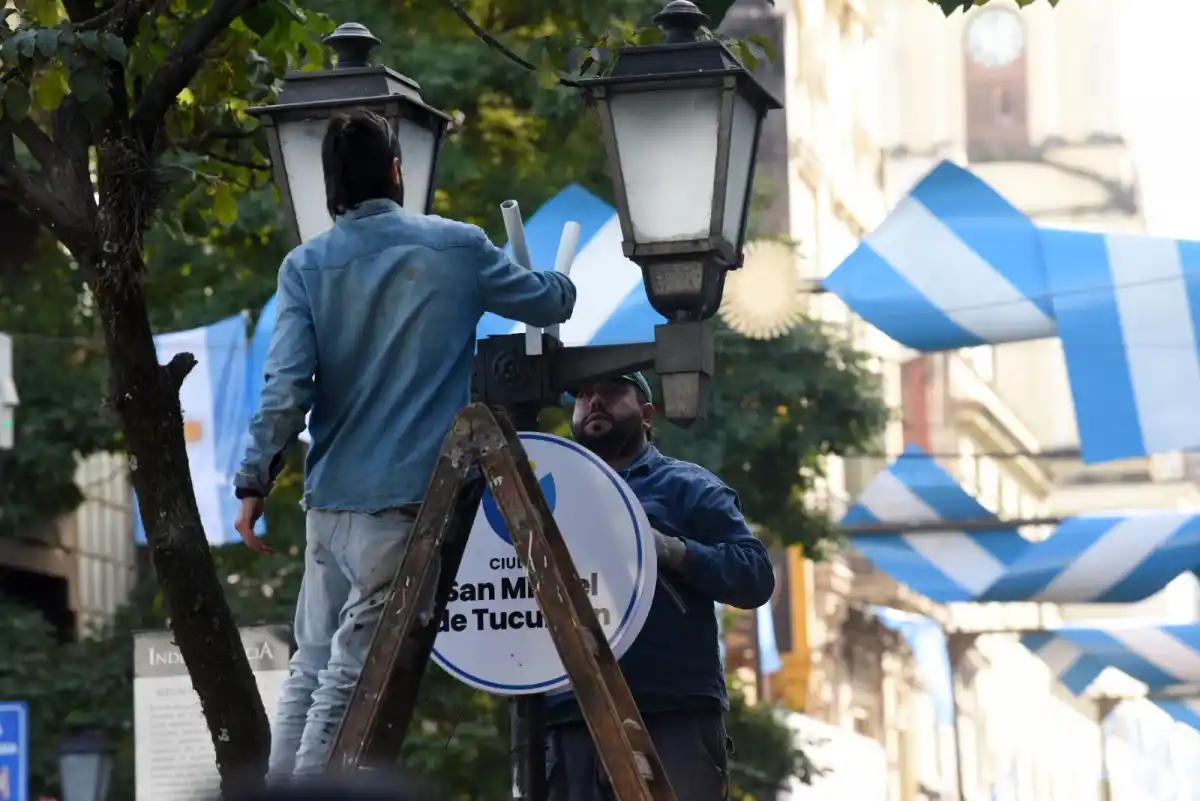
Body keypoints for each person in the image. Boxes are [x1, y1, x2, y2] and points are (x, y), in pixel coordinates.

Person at [231, 107, 576, 783]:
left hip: (328, 506)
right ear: (397, 171)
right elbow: (546, 303)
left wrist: (252, 481)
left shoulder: (305, 266)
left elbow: (284, 389)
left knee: (309, 664)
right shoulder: (457, 247)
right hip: (401, 508)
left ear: (330, 185)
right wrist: (560, 281)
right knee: (347, 680)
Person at [547, 372, 775, 800]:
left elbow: (755, 576)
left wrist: (671, 550)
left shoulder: (688, 487)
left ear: (647, 415)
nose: (594, 402)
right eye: (582, 394)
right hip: (571, 717)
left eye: (612, 392)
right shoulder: (548, 493)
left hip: (670, 714)